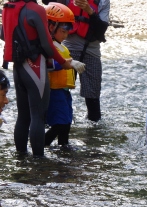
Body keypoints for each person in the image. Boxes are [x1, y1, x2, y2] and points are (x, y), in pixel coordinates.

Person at [1, 0, 74, 157]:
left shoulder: (9, 7)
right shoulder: (37, 10)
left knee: (23, 116)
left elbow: (3, 34)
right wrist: (63, 62)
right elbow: (48, 45)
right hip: (35, 67)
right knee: (38, 116)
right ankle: (39, 162)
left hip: (18, 67)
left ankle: (20, 157)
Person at [42, 0, 110, 122]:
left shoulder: (103, 1)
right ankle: (57, 122)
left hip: (91, 50)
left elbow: (101, 31)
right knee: (60, 88)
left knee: (92, 95)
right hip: (67, 47)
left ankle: (93, 130)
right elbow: (48, 3)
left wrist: (90, 11)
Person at [44, 2, 86, 148]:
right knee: (60, 122)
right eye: (63, 31)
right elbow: (48, 66)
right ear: (51, 27)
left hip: (64, 91)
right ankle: (43, 143)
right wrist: (68, 63)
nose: (67, 34)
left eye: (68, 31)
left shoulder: (61, 46)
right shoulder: (49, 46)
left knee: (67, 121)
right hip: (54, 92)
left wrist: (72, 62)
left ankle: (64, 145)